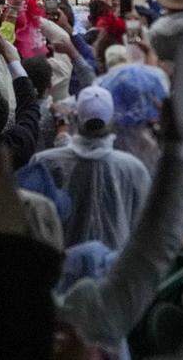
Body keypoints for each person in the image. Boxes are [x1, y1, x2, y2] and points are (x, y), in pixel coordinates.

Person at [26, 84, 151, 250]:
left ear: (76, 118)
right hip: (115, 268)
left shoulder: (44, 163)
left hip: (63, 267)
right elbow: (145, 224)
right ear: (112, 119)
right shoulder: (134, 169)